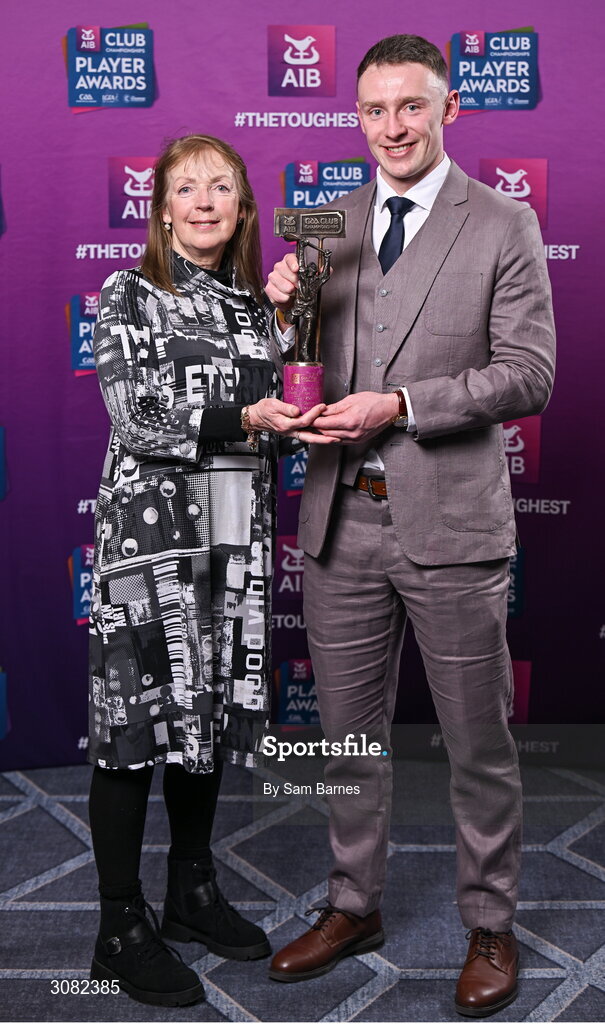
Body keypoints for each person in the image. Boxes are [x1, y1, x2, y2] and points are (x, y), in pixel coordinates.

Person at [265, 35, 555, 1017]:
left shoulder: (503, 222)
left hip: (451, 526)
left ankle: (488, 916)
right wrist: (274, 316)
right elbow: (296, 361)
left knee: (475, 739)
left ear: (447, 110)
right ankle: (354, 902)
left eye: (410, 107)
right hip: (340, 524)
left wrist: (397, 402)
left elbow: (527, 374)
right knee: (348, 737)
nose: (391, 127)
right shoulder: (322, 219)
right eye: (373, 110)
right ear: (356, 117)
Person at [87, 133, 334, 1007]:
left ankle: (189, 893)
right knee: (134, 726)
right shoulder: (128, 291)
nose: (202, 201)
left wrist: (297, 313)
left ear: (241, 208)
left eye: (220, 188)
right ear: (159, 206)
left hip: (235, 540)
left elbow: (299, 387)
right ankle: (118, 928)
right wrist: (242, 416)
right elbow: (135, 413)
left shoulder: (249, 307)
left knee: (207, 714)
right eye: (185, 188)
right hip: (152, 545)